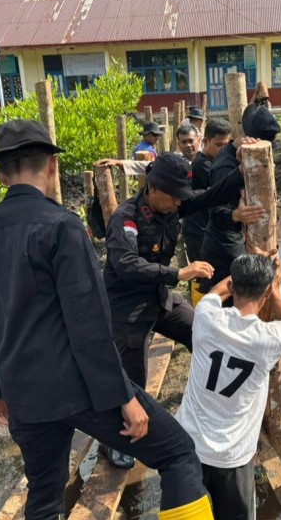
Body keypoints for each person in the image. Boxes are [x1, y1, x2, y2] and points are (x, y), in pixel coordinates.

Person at [0, 120, 277, 520]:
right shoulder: (63, 228)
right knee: (178, 454)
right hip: (80, 385)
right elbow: (88, 325)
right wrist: (123, 397)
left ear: (1, 175)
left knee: (42, 488)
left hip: (23, 391)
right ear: (51, 167)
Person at [100, 151, 262, 468]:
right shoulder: (126, 219)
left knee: (205, 331)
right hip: (128, 309)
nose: (178, 205)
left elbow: (211, 195)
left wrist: (244, 167)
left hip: (159, 298)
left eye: (180, 200)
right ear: (154, 188)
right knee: (130, 388)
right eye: (174, 198)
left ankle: (215, 406)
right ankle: (113, 442)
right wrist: (179, 274)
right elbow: (126, 265)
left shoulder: (173, 204)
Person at [155, 253, 281, 520]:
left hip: (188, 452)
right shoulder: (268, 340)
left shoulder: (206, 318)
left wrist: (231, 284)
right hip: (234, 460)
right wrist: (275, 289)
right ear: (263, 295)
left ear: (233, 288)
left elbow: (214, 294)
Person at [199, 104, 280, 292]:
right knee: (230, 302)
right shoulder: (224, 168)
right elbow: (214, 211)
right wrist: (236, 215)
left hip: (244, 241)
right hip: (225, 247)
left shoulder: (252, 160)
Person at [182, 118, 232, 264]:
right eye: (218, 145)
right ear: (205, 141)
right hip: (199, 232)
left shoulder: (214, 163)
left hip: (205, 229)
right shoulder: (203, 165)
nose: (223, 149)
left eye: (226, 145)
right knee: (202, 277)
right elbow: (225, 189)